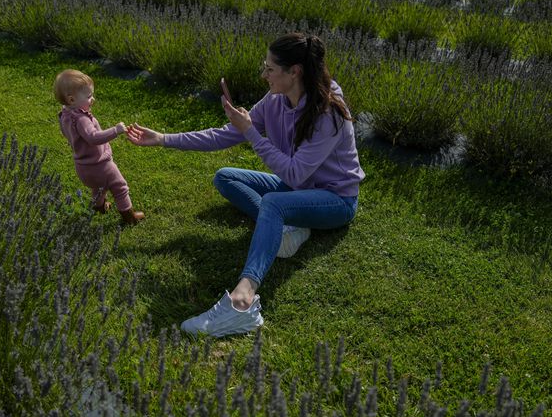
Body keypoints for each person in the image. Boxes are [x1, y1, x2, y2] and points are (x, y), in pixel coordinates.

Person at [126, 33, 364, 337]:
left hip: (335, 200)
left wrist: (251, 132)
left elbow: (293, 174)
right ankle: (286, 230)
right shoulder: (275, 100)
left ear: (295, 72)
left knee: (274, 203)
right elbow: (225, 135)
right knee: (225, 176)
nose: (264, 75)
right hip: (298, 190)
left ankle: (242, 302)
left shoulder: (329, 113)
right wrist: (163, 139)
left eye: (269, 69)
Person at [54, 69, 145, 226]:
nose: (93, 99)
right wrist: (115, 130)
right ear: (71, 99)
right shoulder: (81, 119)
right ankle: (129, 217)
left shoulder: (64, 115)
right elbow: (93, 138)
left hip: (83, 166)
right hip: (99, 165)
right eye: (88, 96)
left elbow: (68, 135)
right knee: (120, 186)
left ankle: (100, 207)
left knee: (98, 187)